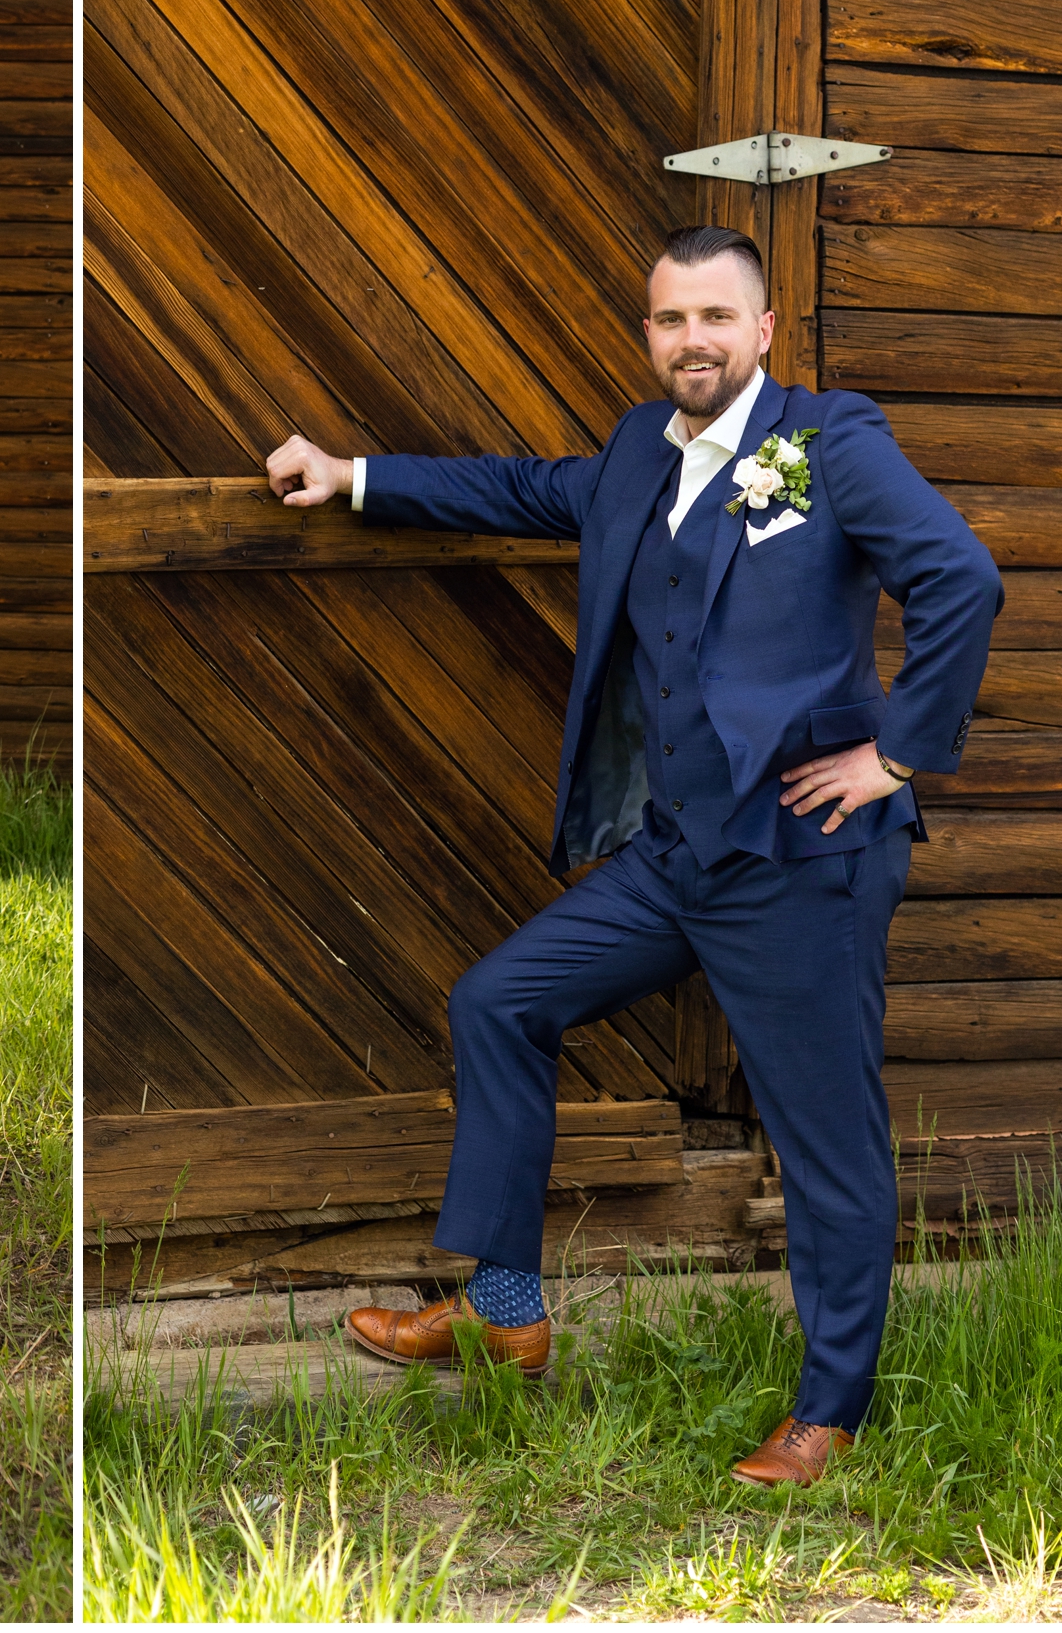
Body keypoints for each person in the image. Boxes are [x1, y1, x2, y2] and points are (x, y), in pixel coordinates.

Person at [263, 226, 1000, 1486]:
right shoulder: (629, 455)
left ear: (765, 331)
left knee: (825, 1141)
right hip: (679, 856)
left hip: (801, 858)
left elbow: (960, 576)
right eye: (671, 320)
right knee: (501, 1000)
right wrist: (353, 476)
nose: (693, 340)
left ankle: (831, 1412)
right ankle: (506, 1313)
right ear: (650, 334)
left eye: (718, 317)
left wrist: (900, 757)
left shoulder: (831, 445)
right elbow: (515, 488)